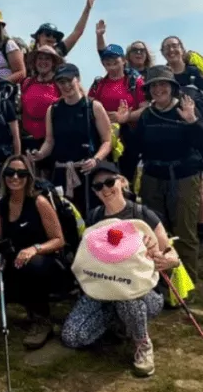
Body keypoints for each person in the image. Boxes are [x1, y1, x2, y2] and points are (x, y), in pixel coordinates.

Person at [61, 161, 177, 377]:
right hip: (103, 289)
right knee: (72, 337)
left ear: (122, 181)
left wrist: (168, 260)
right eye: (98, 186)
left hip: (142, 292)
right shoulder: (94, 218)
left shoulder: (142, 214)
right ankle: (119, 323)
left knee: (128, 300)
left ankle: (142, 344)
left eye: (109, 182)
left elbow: (172, 253)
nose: (105, 189)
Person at [132, 66, 203, 285]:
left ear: (172, 87)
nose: (159, 89)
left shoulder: (186, 110)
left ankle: (186, 286)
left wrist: (192, 121)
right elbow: (135, 147)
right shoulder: (147, 115)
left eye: (163, 84)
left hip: (184, 178)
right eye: (154, 85)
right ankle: (163, 285)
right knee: (157, 234)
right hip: (152, 179)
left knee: (185, 233)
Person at [0, 155, 67, 350]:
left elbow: (59, 240)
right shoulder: (1, 202)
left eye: (21, 173)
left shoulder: (39, 202)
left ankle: (42, 321)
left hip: (44, 261)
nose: (15, 177)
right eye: (10, 173)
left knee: (31, 266)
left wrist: (34, 249)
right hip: (15, 259)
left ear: (29, 177)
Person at [30, 63, 113, 215]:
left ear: (78, 79)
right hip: (61, 173)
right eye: (61, 82)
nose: (66, 85)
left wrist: (96, 160)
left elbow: (107, 141)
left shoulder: (93, 106)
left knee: (92, 214)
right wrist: (40, 154)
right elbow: (49, 141)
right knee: (65, 215)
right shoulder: (53, 109)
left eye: (69, 80)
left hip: (89, 173)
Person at [160, 36, 203, 250]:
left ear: (183, 49)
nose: (172, 50)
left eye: (176, 46)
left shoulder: (196, 74)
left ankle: (202, 232)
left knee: (199, 185)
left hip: (197, 132)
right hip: (171, 136)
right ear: (163, 52)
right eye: (167, 48)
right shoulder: (162, 76)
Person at [88, 33, 147, 184]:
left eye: (115, 62)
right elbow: (89, 107)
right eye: (107, 63)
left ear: (124, 61)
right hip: (104, 137)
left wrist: (126, 117)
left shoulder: (135, 82)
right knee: (107, 179)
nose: (111, 66)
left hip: (130, 138)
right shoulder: (98, 84)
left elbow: (145, 109)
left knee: (128, 180)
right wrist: (103, 116)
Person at [19, 45, 64, 180]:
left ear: (54, 63)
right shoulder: (27, 82)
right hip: (28, 140)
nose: (43, 62)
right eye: (40, 58)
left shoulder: (60, 83)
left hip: (52, 141)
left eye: (47, 59)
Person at [29, 0, 96, 58]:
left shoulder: (58, 51)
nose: (51, 37)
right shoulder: (28, 53)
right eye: (48, 34)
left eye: (55, 36)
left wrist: (87, 8)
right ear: (38, 36)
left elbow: (77, 32)